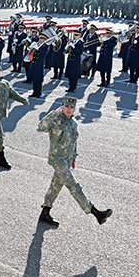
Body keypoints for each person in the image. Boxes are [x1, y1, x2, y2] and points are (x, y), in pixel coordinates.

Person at [36, 97, 112, 228]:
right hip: (57, 159)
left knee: (55, 186)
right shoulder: (56, 120)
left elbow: (73, 142)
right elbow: (41, 126)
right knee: (74, 185)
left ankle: (45, 212)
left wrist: (73, 158)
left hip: (67, 160)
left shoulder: (74, 123)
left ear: (74, 109)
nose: (69, 109)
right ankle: (96, 213)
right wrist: (53, 113)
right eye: (66, 106)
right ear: (62, 106)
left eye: (71, 107)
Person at [23, 33, 50, 98]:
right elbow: (31, 52)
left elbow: (44, 54)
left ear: (45, 40)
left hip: (39, 64)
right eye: (40, 38)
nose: (40, 40)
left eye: (42, 39)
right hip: (34, 63)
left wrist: (37, 49)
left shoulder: (45, 46)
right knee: (34, 78)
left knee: (38, 79)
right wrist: (32, 47)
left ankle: (39, 92)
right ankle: (34, 92)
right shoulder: (37, 44)